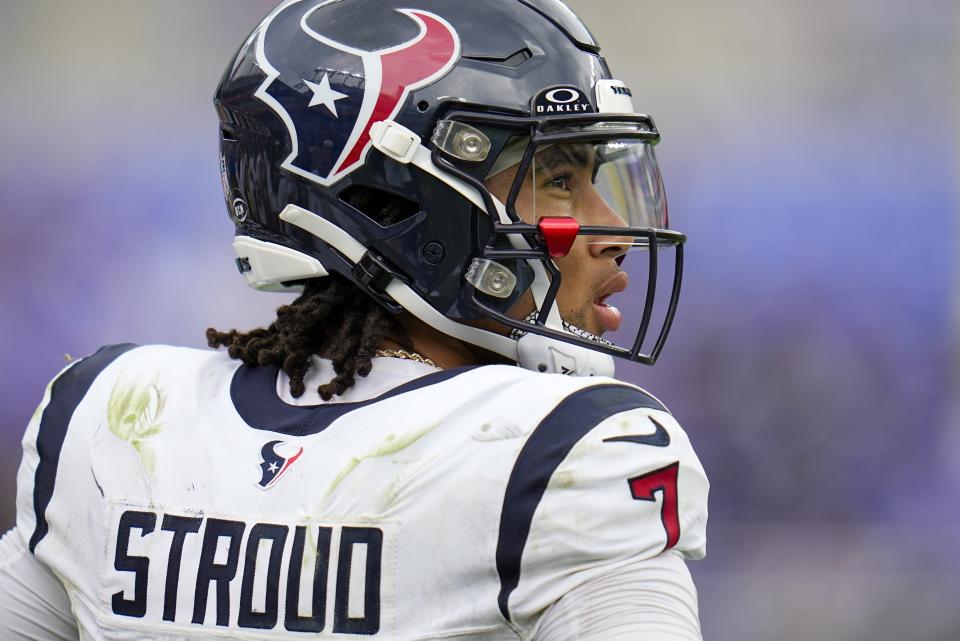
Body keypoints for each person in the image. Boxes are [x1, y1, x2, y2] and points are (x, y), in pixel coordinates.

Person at [0, 0, 708, 639]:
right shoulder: (568, 449)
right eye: (558, 177)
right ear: (400, 200)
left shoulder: (119, 414)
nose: (612, 228)